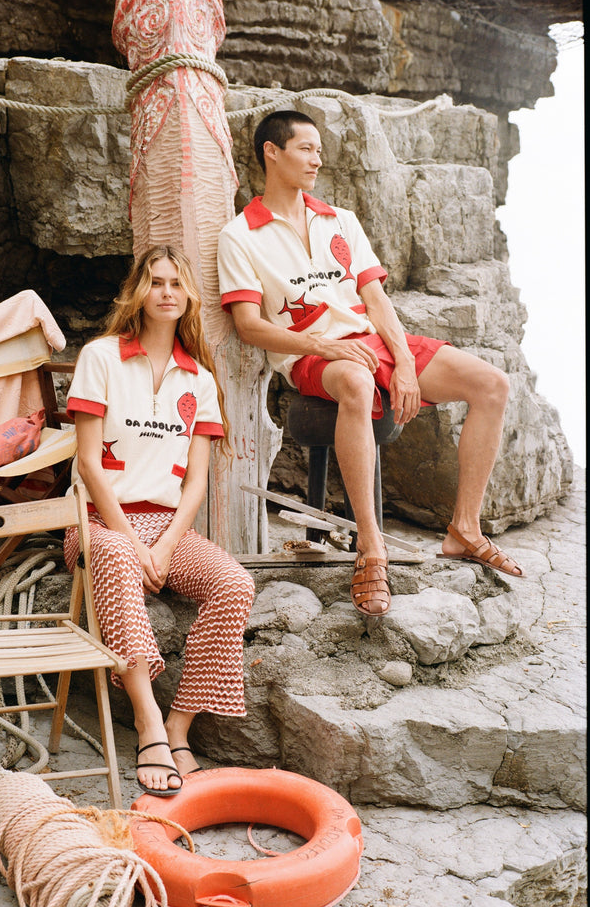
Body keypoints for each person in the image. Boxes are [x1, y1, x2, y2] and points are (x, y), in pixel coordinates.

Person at [217, 109, 522, 617]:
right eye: (307, 149)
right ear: (272, 152)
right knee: (357, 383)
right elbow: (249, 326)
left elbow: (376, 301)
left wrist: (403, 361)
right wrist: (325, 347)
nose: (318, 159)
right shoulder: (240, 236)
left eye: (319, 149)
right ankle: (371, 548)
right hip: (314, 357)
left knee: (491, 383)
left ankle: (464, 529)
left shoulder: (341, 220)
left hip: (373, 340)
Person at [63, 244, 255, 797]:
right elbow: (88, 462)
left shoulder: (198, 379)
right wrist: (130, 539)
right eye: (156, 281)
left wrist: (168, 545)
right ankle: (148, 723)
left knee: (234, 584)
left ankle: (179, 726)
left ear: (189, 296)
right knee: (121, 556)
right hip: (98, 522)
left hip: (168, 528)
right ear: (138, 293)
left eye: (177, 283)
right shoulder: (101, 358)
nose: (167, 291)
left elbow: (196, 480)